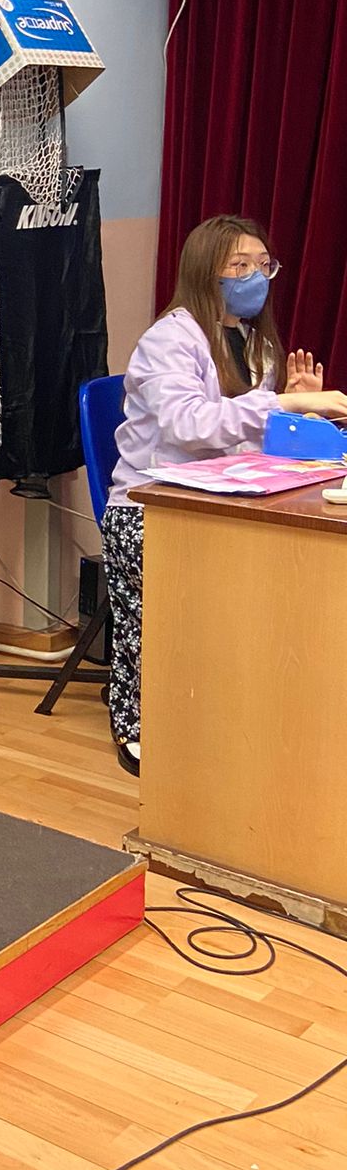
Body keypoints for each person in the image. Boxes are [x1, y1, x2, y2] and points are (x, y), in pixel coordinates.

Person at [102, 214, 347, 776]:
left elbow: (247, 438)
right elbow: (189, 424)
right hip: (149, 508)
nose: (254, 277)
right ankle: (136, 725)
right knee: (179, 611)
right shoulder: (170, 339)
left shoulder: (252, 341)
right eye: (239, 265)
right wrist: (282, 405)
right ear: (204, 271)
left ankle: (231, 713)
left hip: (221, 500)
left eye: (263, 265)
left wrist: (296, 409)